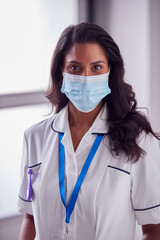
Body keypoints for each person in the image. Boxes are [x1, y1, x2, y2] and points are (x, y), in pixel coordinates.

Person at [18, 22, 160, 240]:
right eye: (75, 67)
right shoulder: (35, 137)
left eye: (96, 68)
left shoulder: (139, 140)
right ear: (60, 72)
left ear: (110, 72)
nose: (85, 78)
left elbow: (154, 229)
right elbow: (30, 218)